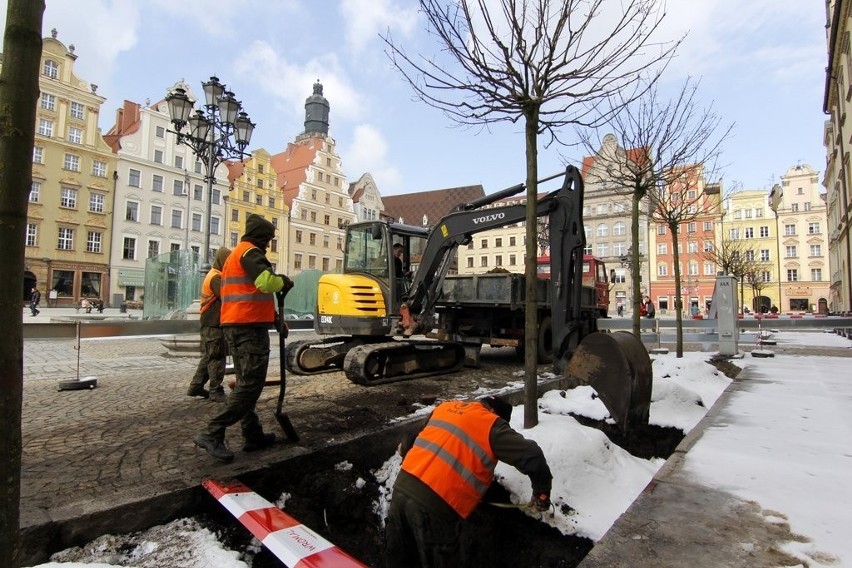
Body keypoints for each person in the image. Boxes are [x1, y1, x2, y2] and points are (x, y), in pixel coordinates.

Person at [385, 396, 552, 567]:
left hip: (401, 490)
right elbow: (532, 455)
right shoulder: (491, 424)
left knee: (400, 560)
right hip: (435, 507)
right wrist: (542, 494)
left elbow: (409, 438)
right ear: (495, 414)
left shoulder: (446, 408)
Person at [193, 215, 293, 463]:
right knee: (251, 386)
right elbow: (266, 283)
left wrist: (275, 320)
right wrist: (284, 281)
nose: (269, 244)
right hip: (248, 329)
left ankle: (252, 434)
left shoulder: (235, 256)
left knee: (245, 382)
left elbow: (249, 293)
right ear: (259, 237)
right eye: (268, 239)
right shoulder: (250, 253)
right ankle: (212, 432)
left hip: (237, 325)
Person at [187, 246, 231, 403]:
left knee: (209, 356)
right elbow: (228, 295)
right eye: (228, 262)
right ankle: (215, 390)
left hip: (211, 324)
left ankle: (196, 386)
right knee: (217, 357)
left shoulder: (215, 275)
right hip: (213, 325)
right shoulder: (215, 278)